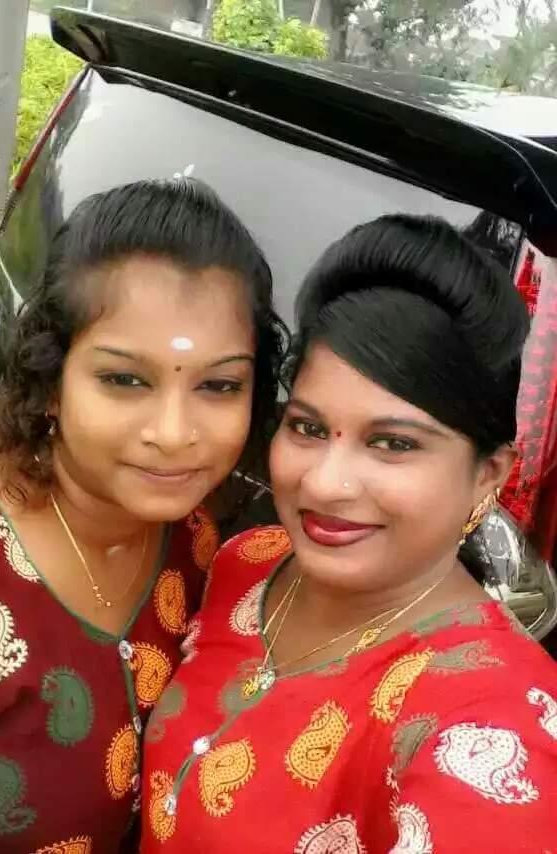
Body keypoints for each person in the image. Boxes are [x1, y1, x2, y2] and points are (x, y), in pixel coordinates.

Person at [140, 215, 557, 853]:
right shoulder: (247, 562)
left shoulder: (495, 724)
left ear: (487, 475)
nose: (327, 483)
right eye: (307, 428)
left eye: (393, 444)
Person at [0, 178, 286, 853]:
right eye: (125, 380)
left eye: (219, 385)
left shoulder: (199, 547)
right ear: (50, 381)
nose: (174, 433)